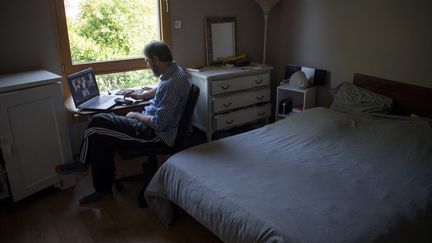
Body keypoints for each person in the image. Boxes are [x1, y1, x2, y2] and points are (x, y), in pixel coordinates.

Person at [56, 40, 192, 203]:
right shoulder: (175, 72)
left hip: (155, 134)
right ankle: (102, 188)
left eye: (147, 61)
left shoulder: (173, 83)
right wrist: (141, 96)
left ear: (156, 59)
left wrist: (136, 115)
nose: (147, 65)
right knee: (100, 135)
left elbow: (160, 124)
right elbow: (161, 88)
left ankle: (82, 162)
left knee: (97, 122)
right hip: (149, 124)